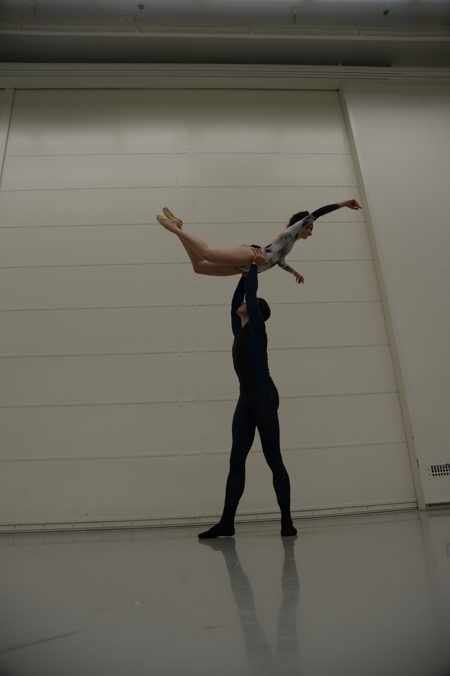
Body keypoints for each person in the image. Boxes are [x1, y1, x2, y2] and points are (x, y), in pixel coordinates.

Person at [198, 256, 297, 539]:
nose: (243, 304)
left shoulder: (256, 327)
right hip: (245, 398)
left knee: (273, 457)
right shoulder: (238, 330)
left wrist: (253, 265)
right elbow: (236, 302)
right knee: (236, 460)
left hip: (264, 395)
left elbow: (251, 295)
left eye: (248, 304)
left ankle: (286, 521)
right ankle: (227, 523)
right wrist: (242, 275)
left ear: (255, 312)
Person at [157, 199, 361, 283]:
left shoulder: (290, 244)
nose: (311, 233)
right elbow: (318, 212)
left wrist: (294, 273)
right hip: (251, 255)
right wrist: (344, 204)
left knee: (199, 267)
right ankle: (171, 227)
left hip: (246, 268)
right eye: (310, 228)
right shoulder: (292, 231)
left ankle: (178, 229)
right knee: (207, 253)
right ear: (303, 225)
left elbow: (279, 261)